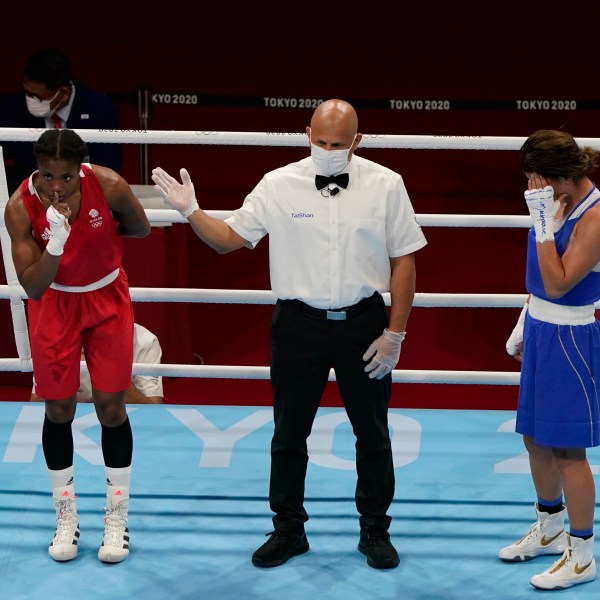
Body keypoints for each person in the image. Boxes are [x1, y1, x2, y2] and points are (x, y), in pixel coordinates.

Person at [151, 99, 427, 569]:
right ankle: (287, 530)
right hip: (298, 325)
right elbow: (228, 238)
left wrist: (395, 333)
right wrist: (191, 211)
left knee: (373, 433)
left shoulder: (386, 184)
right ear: (306, 133)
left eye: (338, 144)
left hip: (364, 323)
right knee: (288, 432)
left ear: (357, 142)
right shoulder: (278, 184)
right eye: (319, 141)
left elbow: (404, 259)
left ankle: (375, 530)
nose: (327, 150)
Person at [4, 128, 151, 564]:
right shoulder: (18, 209)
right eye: (47, 176)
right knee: (58, 409)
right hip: (54, 303)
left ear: (80, 170)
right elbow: (32, 287)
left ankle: (116, 517)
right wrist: (56, 242)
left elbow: (140, 227)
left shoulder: (109, 185)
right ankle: (65, 516)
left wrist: (99, 235)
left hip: (106, 298)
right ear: (36, 169)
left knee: (111, 406)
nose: (55, 187)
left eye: (65, 177)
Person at [501, 129, 600, 590]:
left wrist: (541, 221)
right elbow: (541, 285)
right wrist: (526, 316)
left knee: (567, 450)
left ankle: (581, 556)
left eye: (537, 182)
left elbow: (559, 282)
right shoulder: (554, 201)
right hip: (542, 326)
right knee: (535, 440)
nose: (532, 191)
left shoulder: (595, 219)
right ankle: (551, 527)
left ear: (560, 177)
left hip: (571, 337)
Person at [0, 48, 121, 195]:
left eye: (36, 96)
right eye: (27, 93)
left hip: (84, 192)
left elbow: (108, 164)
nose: (29, 100)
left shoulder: (100, 108)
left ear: (63, 93)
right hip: (29, 193)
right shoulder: (13, 108)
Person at [31, 323, 164, 404]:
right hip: (69, 425)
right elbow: (34, 405)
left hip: (122, 422)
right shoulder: (56, 338)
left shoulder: (144, 341)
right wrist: (67, 369)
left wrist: (113, 371)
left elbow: (154, 411)